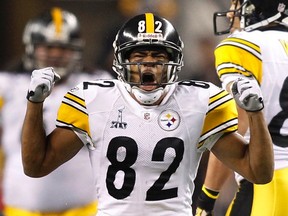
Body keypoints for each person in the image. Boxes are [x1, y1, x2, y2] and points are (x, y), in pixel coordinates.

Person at [21, 12, 273, 216]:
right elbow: (36, 166)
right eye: (139, 56)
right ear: (121, 62)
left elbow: (258, 173)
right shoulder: (94, 100)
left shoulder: (200, 101)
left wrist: (255, 113)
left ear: (175, 61)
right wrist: (35, 104)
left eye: (159, 57)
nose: (149, 64)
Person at [0, 7, 112, 216]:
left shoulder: (97, 85)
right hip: (20, 207)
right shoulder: (7, 84)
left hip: (86, 208)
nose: (56, 54)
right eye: (48, 46)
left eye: (64, 48)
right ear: (31, 46)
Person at [195, 0, 288, 215]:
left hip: (271, 184)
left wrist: (207, 197)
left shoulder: (243, 45)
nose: (230, 14)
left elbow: (235, 126)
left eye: (237, 5)